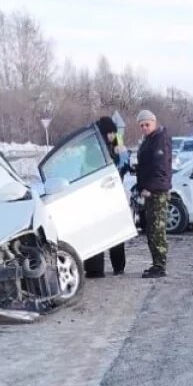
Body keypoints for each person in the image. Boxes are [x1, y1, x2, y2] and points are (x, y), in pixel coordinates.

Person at [84, 115, 129, 278]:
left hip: (112, 194)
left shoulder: (115, 144)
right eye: (109, 133)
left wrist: (122, 155)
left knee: (115, 232)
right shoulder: (94, 149)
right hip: (99, 195)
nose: (112, 136)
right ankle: (95, 269)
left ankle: (118, 266)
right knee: (99, 232)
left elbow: (123, 166)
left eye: (113, 133)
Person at [134, 109, 172, 278]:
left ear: (154, 122)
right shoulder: (149, 139)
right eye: (141, 125)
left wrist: (149, 187)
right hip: (150, 191)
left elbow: (160, 168)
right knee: (151, 230)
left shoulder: (159, 140)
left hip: (157, 192)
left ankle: (160, 265)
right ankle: (156, 263)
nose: (144, 128)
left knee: (157, 230)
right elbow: (146, 165)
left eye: (147, 124)